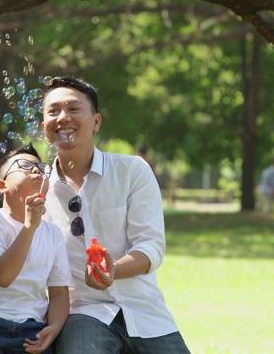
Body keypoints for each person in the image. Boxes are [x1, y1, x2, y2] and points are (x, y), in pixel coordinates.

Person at [40, 76, 190, 354]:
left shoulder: (132, 171)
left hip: (144, 311)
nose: (63, 118)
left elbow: (151, 245)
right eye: (53, 111)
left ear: (96, 121)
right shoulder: (39, 190)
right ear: (43, 127)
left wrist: (113, 270)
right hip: (82, 312)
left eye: (74, 109)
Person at [0, 144, 71, 354]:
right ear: (2, 186)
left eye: (40, 167)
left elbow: (58, 293)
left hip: (32, 331)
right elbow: (3, 276)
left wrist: (54, 328)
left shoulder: (52, 233)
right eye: (25, 165)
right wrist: (30, 227)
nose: (37, 170)